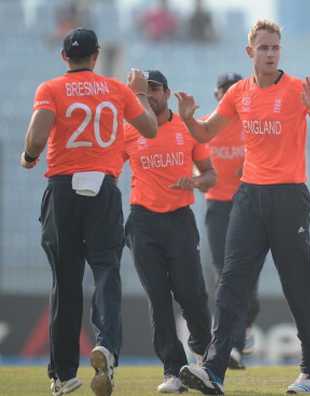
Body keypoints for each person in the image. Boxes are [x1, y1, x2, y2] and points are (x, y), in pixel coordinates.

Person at [175, 19, 310, 395]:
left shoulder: (299, 89)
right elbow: (205, 133)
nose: (270, 54)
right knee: (231, 282)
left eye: (275, 48)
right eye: (264, 48)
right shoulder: (238, 92)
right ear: (249, 51)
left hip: (288, 198)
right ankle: (214, 370)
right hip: (249, 197)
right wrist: (188, 118)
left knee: (299, 286)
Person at [20, 28, 157, 396]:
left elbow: (35, 137)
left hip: (63, 190)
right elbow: (150, 127)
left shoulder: (50, 89)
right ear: (96, 55)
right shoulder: (116, 90)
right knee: (106, 272)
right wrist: (140, 92)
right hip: (104, 189)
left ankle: (63, 375)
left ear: (65, 57)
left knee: (65, 283)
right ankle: (107, 346)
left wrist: (30, 156)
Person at [122, 70, 215, 393]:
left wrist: (195, 182)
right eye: (144, 91)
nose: (150, 95)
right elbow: (107, 164)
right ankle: (172, 371)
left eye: (155, 89)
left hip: (179, 220)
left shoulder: (185, 129)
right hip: (143, 222)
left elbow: (210, 175)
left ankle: (202, 355)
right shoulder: (130, 130)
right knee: (158, 300)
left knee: (192, 295)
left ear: (167, 92)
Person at [204, 72, 262, 370]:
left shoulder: (253, 125)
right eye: (223, 91)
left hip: (248, 207)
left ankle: (238, 333)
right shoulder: (206, 127)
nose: (228, 97)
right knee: (224, 275)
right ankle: (232, 346)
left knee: (247, 285)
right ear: (217, 96)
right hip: (217, 207)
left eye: (233, 91)